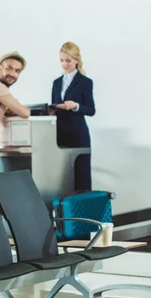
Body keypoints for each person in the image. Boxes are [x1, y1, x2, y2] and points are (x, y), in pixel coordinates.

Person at [52, 42, 95, 190]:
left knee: (81, 174)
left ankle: (83, 210)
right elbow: (54, 105)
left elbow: (91, 110)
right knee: (62, 175)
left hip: (78, 133)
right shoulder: (57, 83)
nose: (64, 64)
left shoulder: (85, 82)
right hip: (60, 133)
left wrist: (75, 106)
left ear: (76, 60)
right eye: (62, 60)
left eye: (68, 61)